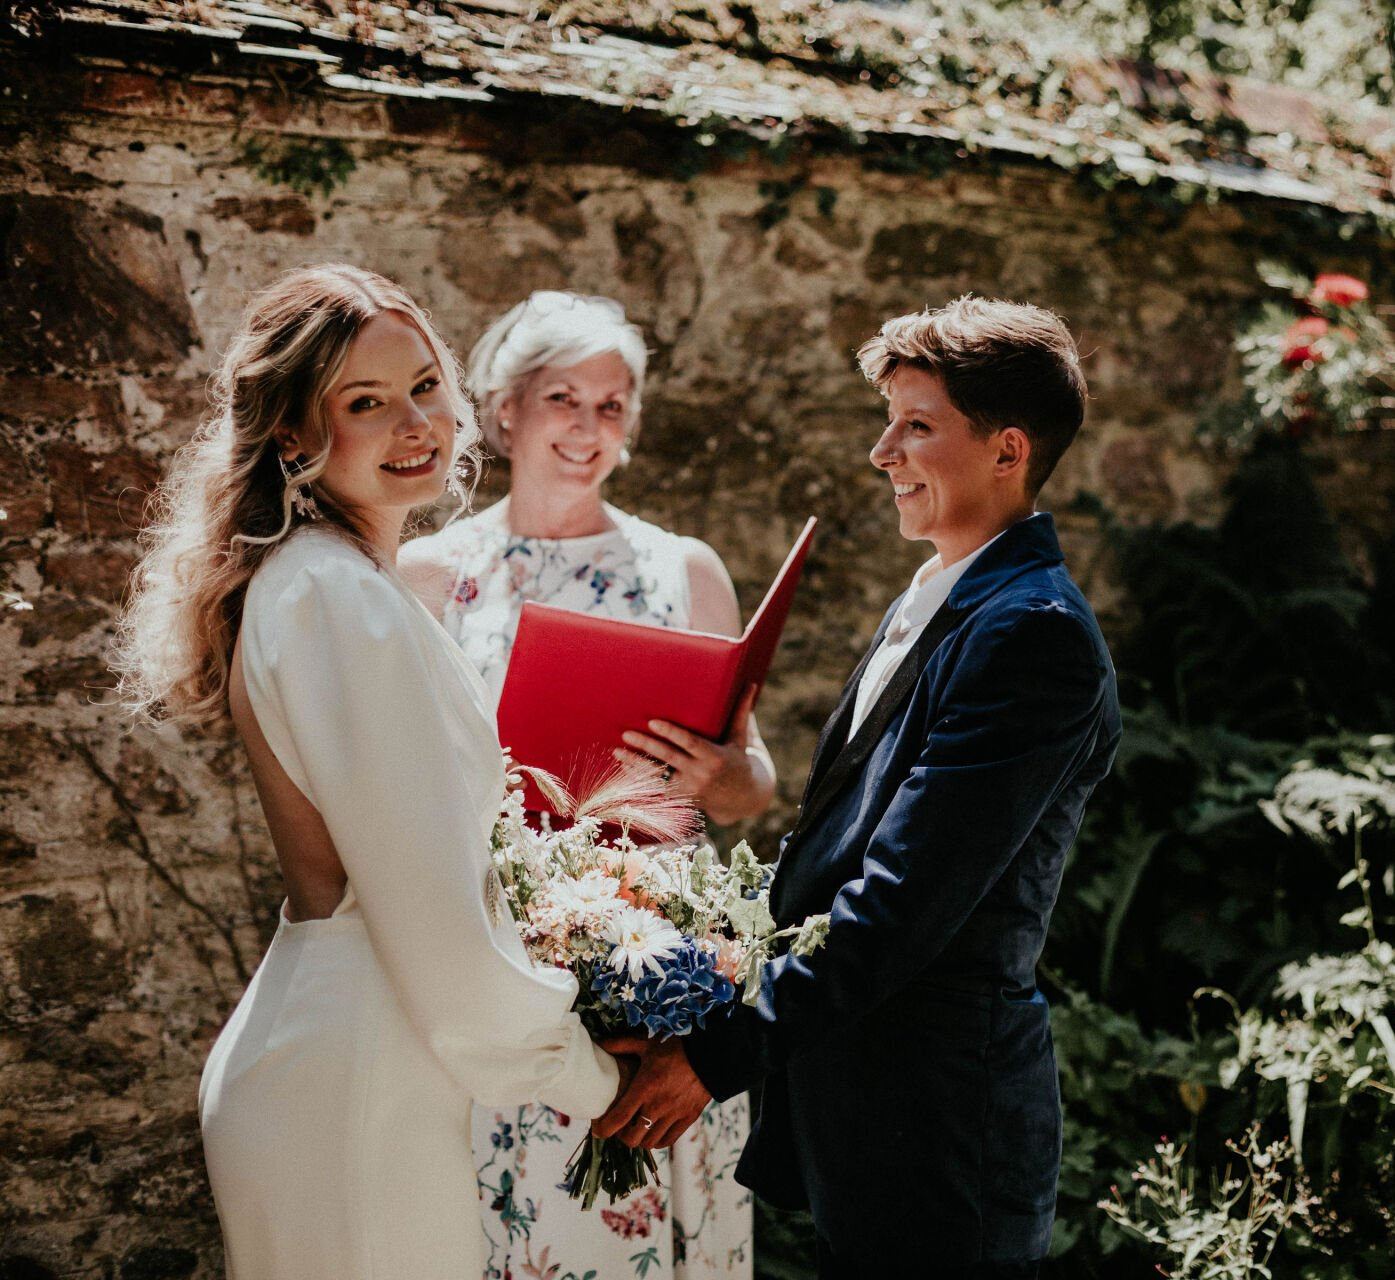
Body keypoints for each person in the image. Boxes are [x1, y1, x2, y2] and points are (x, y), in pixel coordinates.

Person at [114, 264, 655, 1279]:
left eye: (424, 386)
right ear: (291, 435)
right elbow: (439, 931)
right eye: (366, 402)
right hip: (358, 1084)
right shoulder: (336, 597)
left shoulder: (339, 580)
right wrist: (589, 1071)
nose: (415, 422)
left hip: (360, 1061)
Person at [597, 297, 1123, 1277]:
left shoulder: (1030, 632)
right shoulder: (939, 594)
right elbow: (836, 848)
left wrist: (716, 1055)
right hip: (862, 1109)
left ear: (1008, 450)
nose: (883, 451)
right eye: (888, 421)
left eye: (916, 425)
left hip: (939, 1123)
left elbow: (900, 901)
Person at [399, 291, 772, 1278]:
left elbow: (753, 791)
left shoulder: (682, 569)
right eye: (564, 396)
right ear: (506, 408)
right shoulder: (432, 576)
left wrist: (723, 772)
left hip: (662, 981)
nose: (588, 426)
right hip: (502, 973)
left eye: (612, 405)